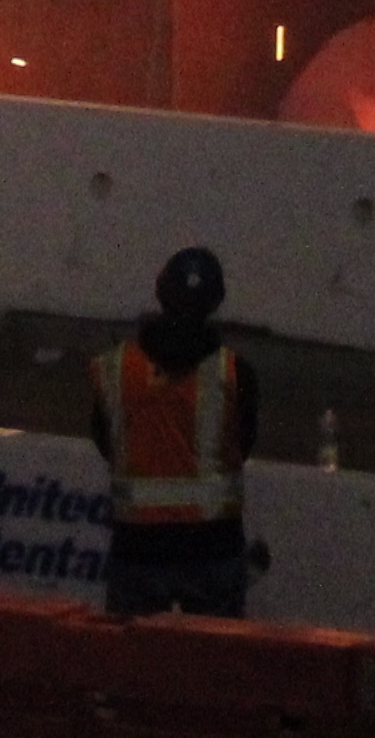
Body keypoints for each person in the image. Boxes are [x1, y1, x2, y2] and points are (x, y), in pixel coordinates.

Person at [86, 244, 258, 619]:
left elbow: (107, 443)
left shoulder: (113, 370)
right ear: (217, 301)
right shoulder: (235, 373)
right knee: (214, 661)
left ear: (160, 292)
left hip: (138, 547)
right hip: (215, 545)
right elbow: (242, 446)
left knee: (133, 667)